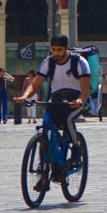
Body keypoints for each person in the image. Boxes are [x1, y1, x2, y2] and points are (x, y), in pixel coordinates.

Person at [18, 35, 92, 184]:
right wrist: (24, 96)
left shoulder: (79, 62)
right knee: (46, 125)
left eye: (59, 50)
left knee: (68, 119)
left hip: (75, 99)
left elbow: (85, 89)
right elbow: (35, 84)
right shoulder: (48, 62)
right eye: (53, 50)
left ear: (66, 48)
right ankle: (44, 171)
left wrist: (79, 101)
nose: (56, 53)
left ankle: (76, 148)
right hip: (56, 99)